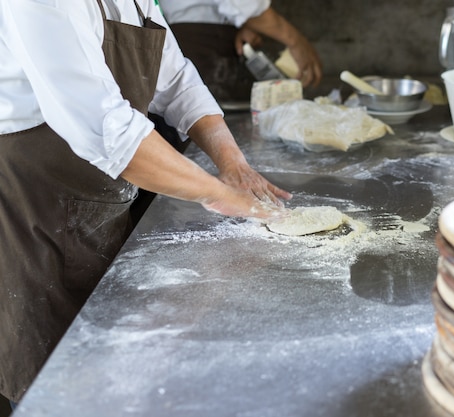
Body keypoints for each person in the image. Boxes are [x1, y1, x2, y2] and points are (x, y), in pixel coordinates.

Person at [0, 0, 291, 404]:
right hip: (36, 203)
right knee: (56, 383)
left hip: (98, 201)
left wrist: (232, 162)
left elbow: (176, 80)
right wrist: (218, 193)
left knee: (109, 374)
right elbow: (106, 128)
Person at [158, 0, 323, 103]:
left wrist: (242, 25)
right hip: (203, 49)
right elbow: (246, 5)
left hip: (210, 42)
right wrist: (296, 42)